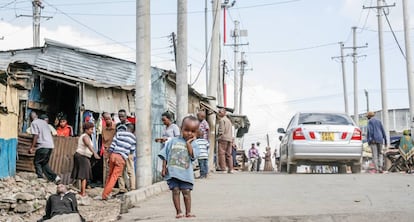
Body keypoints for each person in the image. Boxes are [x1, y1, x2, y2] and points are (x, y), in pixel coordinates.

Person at [158, 115, 199, 219]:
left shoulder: (194, 143)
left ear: (196, 132)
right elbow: (165, 155)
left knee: (186, 192)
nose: (189, 133)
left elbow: (193, 156)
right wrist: (163, 168)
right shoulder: (172, 141)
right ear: (181, 129)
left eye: (193, 131)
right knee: (175, 191)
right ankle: (179, 211)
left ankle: (188, 212)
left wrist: (189, 143)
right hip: (172, 172)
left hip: (185, 174)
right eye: (186, 130)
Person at [102, 123, 136, 200]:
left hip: (113, 155)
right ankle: (105, 195)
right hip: (121, 158)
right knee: (114, 177)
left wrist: (109, 156)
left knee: (110, 175)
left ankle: (105, 192)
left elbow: (113, 145)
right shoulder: (133, 138)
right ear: (133, 131)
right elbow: (132, 150)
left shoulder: (119, 133)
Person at [28, 111, 61, 183]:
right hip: (50, 145)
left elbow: (35, 135)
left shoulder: (34, 123)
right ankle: (55, 177)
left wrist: (32, 147)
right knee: (44, 163)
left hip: (42, 145)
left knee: (37, 162)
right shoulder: (44, 122)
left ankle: (40, 178)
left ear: (30, 118)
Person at [71, 122, 101, 197]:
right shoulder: (85, 136)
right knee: (84, 174)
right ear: (86, 130)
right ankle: (83, 192)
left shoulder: (86, 136)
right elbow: (88, 145)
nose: (92, 131)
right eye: (91, 129)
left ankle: (81, 190)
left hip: (82, 156)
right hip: (82, 156)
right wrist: (94, 153)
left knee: (83, 174)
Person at [115, 109, 135, 192]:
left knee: (130, 170)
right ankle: (122, 188)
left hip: (128, 151)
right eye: (119, 116)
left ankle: (132, 188)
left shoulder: (130, 125)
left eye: (122, 116)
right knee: (120, 171)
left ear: (126, 116)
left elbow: (127, 137)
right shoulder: (118, 125)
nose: (121, 118)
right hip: (120, 151)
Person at [217, 108, 233, 173]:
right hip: (230, 138)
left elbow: (221, 131)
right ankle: (231, 169)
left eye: (220, 112)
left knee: (222, 154)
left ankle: (223, 169)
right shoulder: (229, 121)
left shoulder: (222, 120)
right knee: (229, 154)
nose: (219, 113)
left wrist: (218, 137)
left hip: (223, 138)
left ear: (224, 113)